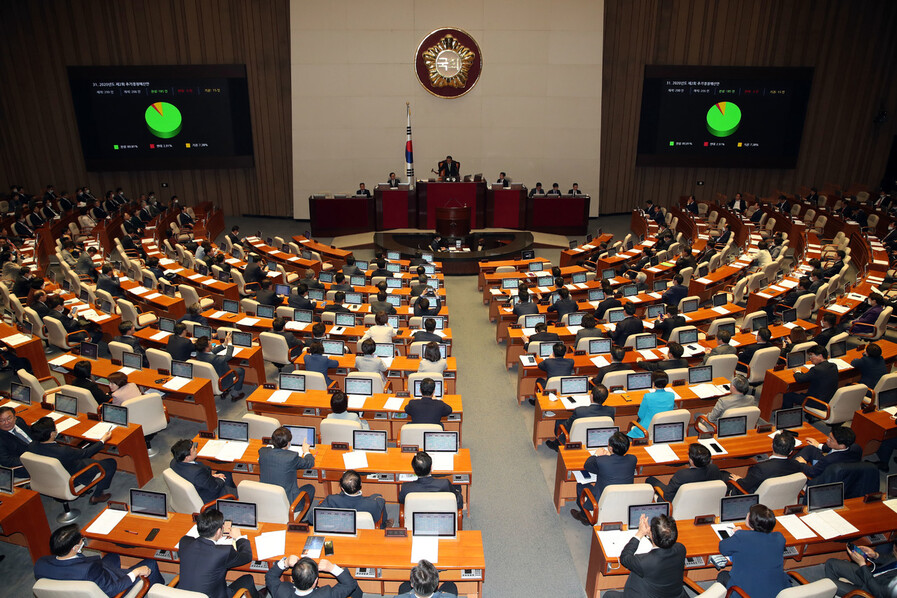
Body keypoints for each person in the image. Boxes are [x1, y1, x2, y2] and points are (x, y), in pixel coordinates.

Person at [34, 524, 164, 594]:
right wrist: (135, 572)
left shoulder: (40, 564)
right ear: (74, 548)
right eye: (81, 541)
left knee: (113, 555)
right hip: (112, 588)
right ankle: (160, 590)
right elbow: (112, 590)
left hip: (86, 577)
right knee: (151, 564)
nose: (82, 543)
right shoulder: (89, 569)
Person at [28, 416, 116, 504]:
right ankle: (97, 495)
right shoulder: (62, 451)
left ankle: (84, 491)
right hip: (74, 477)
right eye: (55, 428)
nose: (56, 430)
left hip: (49, 478)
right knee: (110, 463)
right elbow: (85, 453)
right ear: (51, 434)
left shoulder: (32, 446)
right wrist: (102, 441)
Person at [178, 508, 259, 598]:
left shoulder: (184, 542)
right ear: (219, 531)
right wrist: (239, 537)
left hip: (183, 595)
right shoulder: (223, 552)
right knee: (248, 579)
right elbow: (247, 556)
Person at [602, 514, 686, 598]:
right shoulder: (681, 549)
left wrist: (640, 533)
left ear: (652, 535)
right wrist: (651, 535)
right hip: (673, 595)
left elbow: (625, 557)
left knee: (608, 595)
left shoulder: (644, 562)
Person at [716, 504, 789, 596]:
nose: (747, 514)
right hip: (778, 591)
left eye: (749, 514)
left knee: (723, 575)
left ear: (751, 522)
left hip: (747, 593)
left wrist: (738, 534)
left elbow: (723, 548)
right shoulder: (779, 538)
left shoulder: (741, 537)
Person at [570, 431, 636, 524]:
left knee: (581, 485)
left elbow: (587, 465)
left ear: (610, 448)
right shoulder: (633, 459)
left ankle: (585, 516)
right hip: (623, 500)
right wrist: (611, 456)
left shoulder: (602, 461)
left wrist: (596, 454)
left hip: (602, 502)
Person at [259, 426, 316, 510]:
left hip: (267, 499)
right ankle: (299, 519)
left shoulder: (263, 452)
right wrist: (306, 451)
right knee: (310, 488)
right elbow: (309, 463)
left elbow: (265, 449)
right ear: (288, 443)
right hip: (289, 503)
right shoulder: (292, 457)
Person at [727, 433, 803, 494]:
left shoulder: (760, 469)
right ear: (791, 452)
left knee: (726, 476)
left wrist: (738, 480)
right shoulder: (797, 465)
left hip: (756, 499)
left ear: (772, 446)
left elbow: (744, 485)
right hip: (782, 499)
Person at [647, 443, 722, 502]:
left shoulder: (682, 475)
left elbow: (667, 497)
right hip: (703, 501)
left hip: (676, 503)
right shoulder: (714, 468)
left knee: (650, 480)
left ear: (692, 461)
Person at [170, 438, 236, 503]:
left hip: (198, 487)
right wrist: (221, 479)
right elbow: (215, 487)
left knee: (226, 471)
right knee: (228, 478)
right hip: (209, 497)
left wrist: (211, 477)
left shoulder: (173, 463)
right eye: (193, 449)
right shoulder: (197, 472)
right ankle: (234, 498)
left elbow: (198, 479)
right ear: (187, 457)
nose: (196, 449)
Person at [824, 542, 897, 597]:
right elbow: (892, 559)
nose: (893, 551)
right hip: (870, 575)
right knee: (831, 563)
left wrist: (862, 564)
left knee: (829, 585)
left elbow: (878, 592)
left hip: (869, 592)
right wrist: (875, 555)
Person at [266, 556, 360, 598]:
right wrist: (332, 568)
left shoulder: (281, 592)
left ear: (293, 579)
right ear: (316, 581)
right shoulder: (326, 595)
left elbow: (270, 576)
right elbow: (350, 584)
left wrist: (285, 562)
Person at [319, 470, 387, 527]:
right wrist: (379, 499)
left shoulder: (331, 500)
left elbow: (311, 519)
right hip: (364, 534)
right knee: (378, 497)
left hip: (339, 532)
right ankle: (385, 525)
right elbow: (376, 518)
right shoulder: (372, 504)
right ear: (361, 484)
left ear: (342, 488)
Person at [781, 344, 839, 410]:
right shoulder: (833, 366)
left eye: (811, 355)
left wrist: (797, 372)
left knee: (788, 395)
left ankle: (786, 416)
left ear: (820, 356)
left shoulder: (816, 369)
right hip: (829, 400)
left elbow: (800, 379)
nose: (810, 358)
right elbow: (809, 376)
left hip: (817, 402)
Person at [399, 451, 463, 508]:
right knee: (458, 487)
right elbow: (458, 501)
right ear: (431, 467)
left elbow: (402, 500)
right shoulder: (444, 484)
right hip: (440, 514)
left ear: (413, 469)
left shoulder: (405, 487)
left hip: (417, 516)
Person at [795, 426, 861, 479]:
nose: (827, 440)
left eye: (831, 440)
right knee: (811, 448)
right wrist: (818, 445)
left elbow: (812, 472)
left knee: (799, 459)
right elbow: (834, 449)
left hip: (822, 475)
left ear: (841, 445)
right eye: (829, 437)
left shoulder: (828, 460)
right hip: (838, 471)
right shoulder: (856, 448)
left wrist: (802, 463)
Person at [194, 335, 246, 401]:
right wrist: (230, 344)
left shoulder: (199, 354)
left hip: (210, 380)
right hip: (222, 379)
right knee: (241, 370)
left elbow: (211, 352)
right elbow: (228, 357)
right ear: (206, 348)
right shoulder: (214, 359)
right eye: (209, 343)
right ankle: (235, 394)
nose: (211, 343)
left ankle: (226, 391)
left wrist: (224, 344)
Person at [628, 371, 674, 439]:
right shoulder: (671, 395)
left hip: (647, 429)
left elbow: (640, 415)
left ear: (653, 383)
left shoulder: (648, 396)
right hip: (664, 427)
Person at [0, 405, 33, 475]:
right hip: (23, 465)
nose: (6, 423)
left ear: (15, 417)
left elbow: (32, 435)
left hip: (38, 450)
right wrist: (30, 459)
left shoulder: (20, 421)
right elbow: (6, 460)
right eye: (2, 421)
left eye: (9, 418)